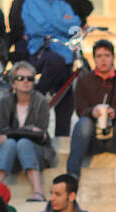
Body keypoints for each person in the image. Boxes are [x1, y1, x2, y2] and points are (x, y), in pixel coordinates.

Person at [67, 39, 116, 186]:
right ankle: (72, 174)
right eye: (99, 56)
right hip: (91, 137)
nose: (103, 60)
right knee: (83, 124)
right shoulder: (84, 79)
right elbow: (80, 109)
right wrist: (93, 111)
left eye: (107, 55)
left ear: (113, 57)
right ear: (94, 58)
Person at [0, 62, 55, 201]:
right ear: (13, 83)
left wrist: (15, 133)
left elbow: (41, 132)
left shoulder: (41, 101)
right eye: (21, 78)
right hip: (11, 153)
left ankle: (38, 192)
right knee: (10, 144)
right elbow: (3, 131)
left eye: (30, 78)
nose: (26, 81)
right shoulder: (5, 102)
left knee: (23, 143)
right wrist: (27, 130)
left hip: (38, 152)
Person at [22, 0, 80, 137]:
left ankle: (62, 137)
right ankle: (34, 97)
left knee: (66, 100)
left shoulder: (63, 5)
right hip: (41, 52)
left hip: (66, 56)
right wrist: (61, 23)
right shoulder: (30, 4)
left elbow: (75, 25)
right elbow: (35, 29)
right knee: (56, 62)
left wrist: (49, 21)